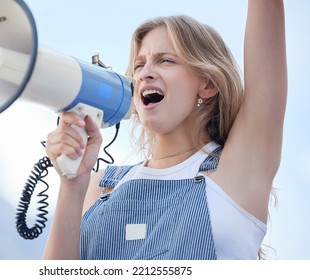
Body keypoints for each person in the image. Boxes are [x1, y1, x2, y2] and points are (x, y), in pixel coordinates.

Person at [43, 0, 287, 260]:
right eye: (139, 65)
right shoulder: (98, 186)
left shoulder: (236, 174)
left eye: (165, 61)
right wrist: (72, 185)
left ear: (208, 84)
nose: (145, 73)